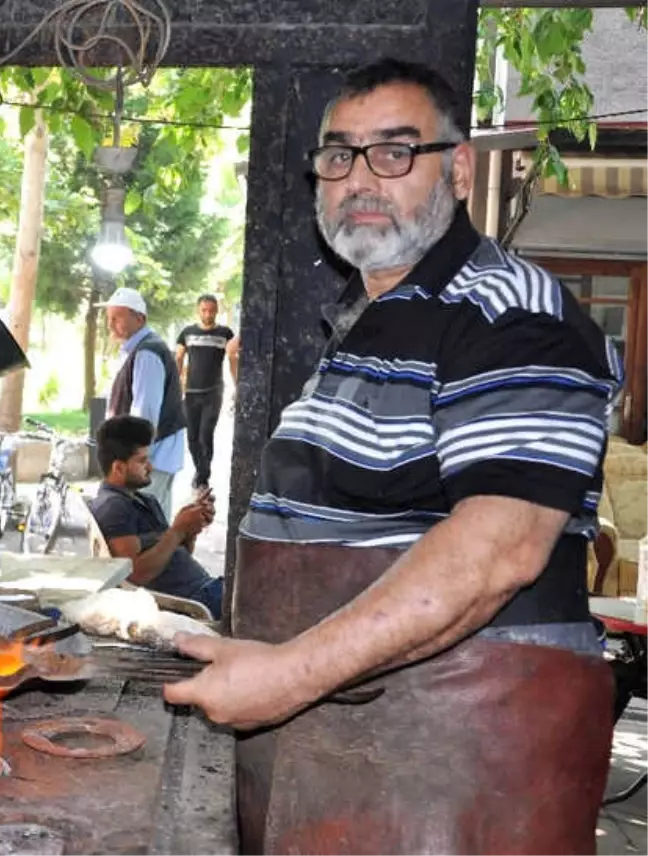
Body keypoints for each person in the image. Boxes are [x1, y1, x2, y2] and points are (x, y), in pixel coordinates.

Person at [164, 58, 622, 854]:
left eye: (395, 151)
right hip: (346, 756)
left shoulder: (509, 314)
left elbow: (498, 551)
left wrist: (287, 675)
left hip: (463, 768)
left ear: (462, 169)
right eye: (339, 156)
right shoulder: (362, 329)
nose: (360, 179)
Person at [89, 415, 223, 617]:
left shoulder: (146, 500)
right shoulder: (113, 507)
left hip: (204, 589)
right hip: (194, 600)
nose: (150, 467)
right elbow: (134, 575)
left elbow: (176, 554)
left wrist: (190, 528)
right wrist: (177, 530)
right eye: (142, 461)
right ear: (119, 467)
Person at [101, 287, 186, 515]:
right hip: (153, 456)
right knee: (156, 521)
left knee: (146, 521)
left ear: (139, 319)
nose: (111, 325)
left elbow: (144, 416)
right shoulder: (140, 349)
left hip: (152, 458)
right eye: (109, 318)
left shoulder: (147, 353)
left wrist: (133, 460)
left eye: (117, 318)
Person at [175, 294, 236, 489]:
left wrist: (238, 383)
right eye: (204, 310)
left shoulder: (225, 333)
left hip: (213, 392)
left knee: (205, 434)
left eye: (211, 310)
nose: (208, 314)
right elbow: (178, 358)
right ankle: (200, 470)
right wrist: (176, 385)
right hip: (191, 393)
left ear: (217, 310)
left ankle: (203, 475)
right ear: (198, 310)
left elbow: (234, 358)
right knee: (192, 437)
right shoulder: (187, 333)